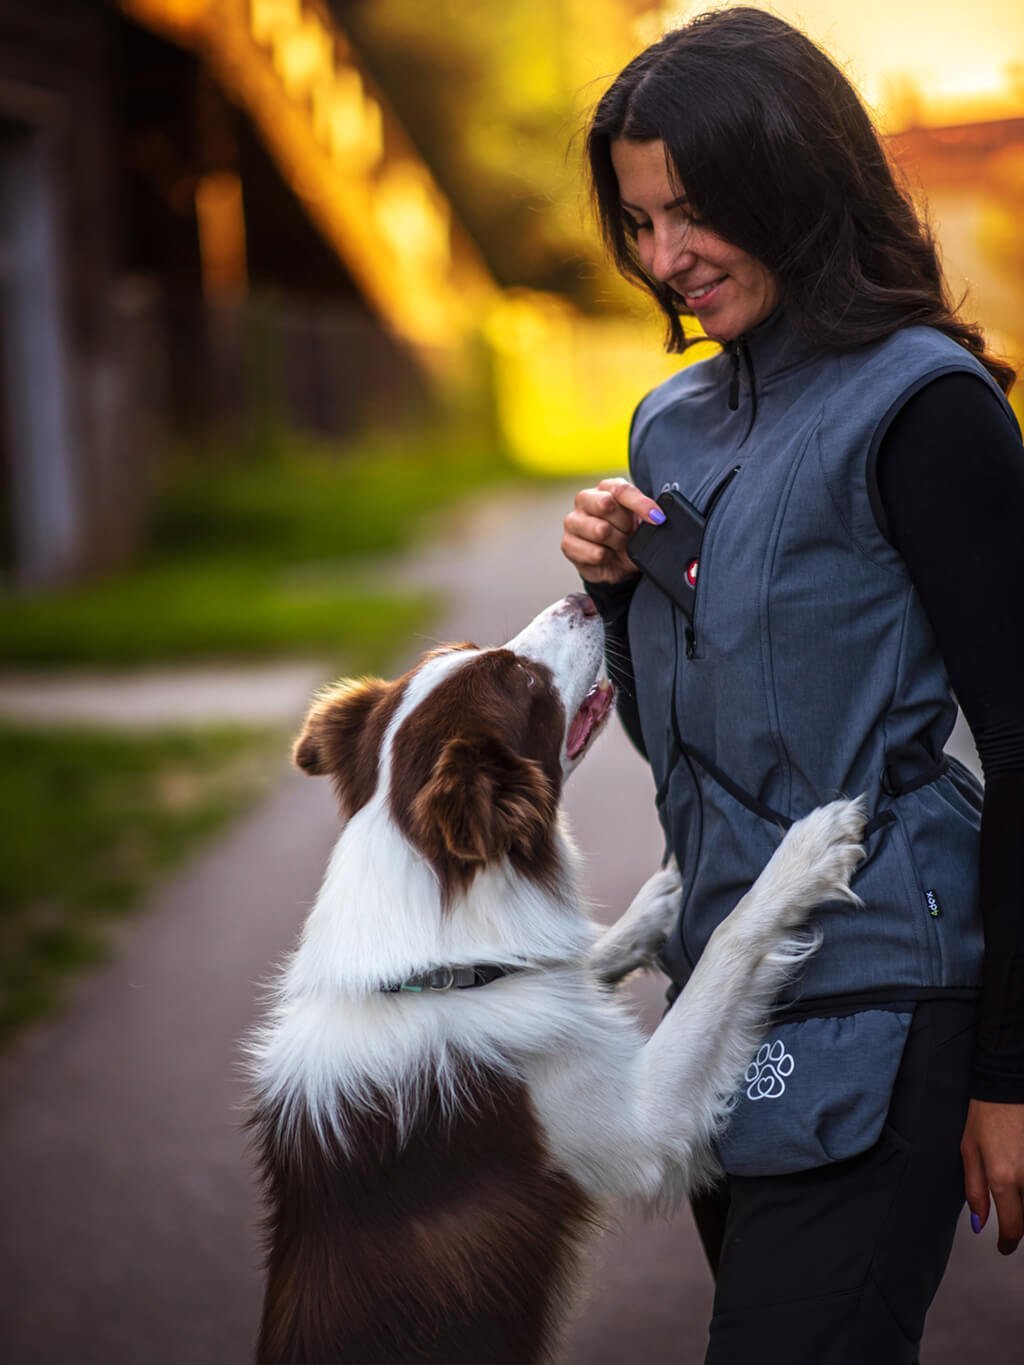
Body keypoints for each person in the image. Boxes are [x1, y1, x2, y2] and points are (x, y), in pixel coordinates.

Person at [560, 9, 1024, 1363]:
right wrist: (612, 591)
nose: (666, 258)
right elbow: (692, 748)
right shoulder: (671, 421)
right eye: (641, 222)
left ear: (797, 181)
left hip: (889, 994)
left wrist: (1008, 1071)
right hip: (725, 1007)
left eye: (695, 212)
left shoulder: (927, 407)